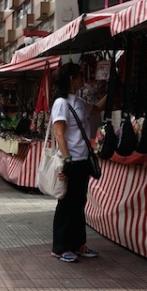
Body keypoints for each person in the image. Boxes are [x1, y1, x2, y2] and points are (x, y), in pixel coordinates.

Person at [50, 63, 106, 263]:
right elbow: (59, 133)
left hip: (82, 161)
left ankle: (78, 243)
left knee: (78, 204)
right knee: (66, 204)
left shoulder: (79, 102)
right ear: (72, 78)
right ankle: (60, 247)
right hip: (71, 160)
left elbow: (97, 108)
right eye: (81, 75)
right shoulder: (61, 103)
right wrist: (67, 160)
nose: (84, 78)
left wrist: (114, 87)